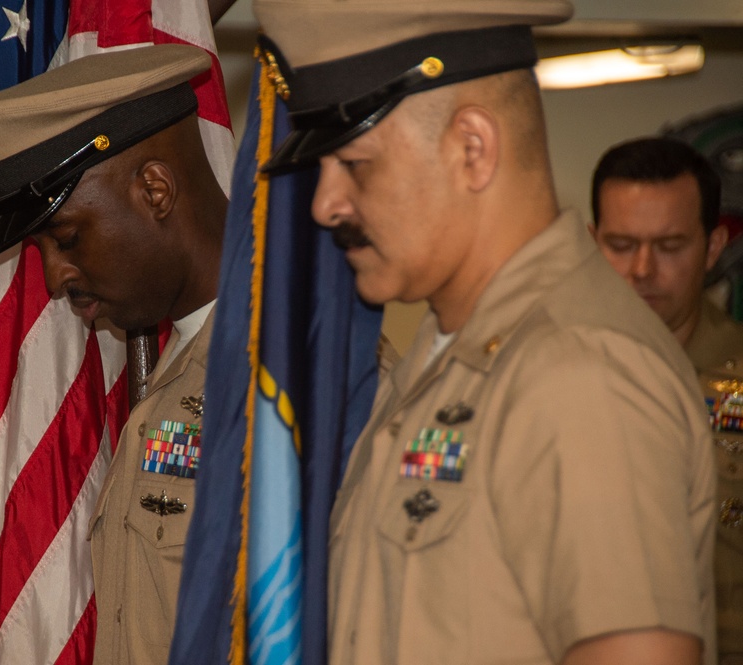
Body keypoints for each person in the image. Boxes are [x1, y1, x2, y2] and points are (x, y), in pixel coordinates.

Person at [252, 0, 717, 663]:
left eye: (354, 164)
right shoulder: (444, 361)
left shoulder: (581, 374)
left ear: (473, 149)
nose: (326, 204)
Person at [0, 44, 227, 665]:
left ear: (154, 189)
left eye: (65, 238)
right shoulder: (180, 372)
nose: (58, 277)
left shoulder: (294, 380)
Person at [592, 136, 743, 664]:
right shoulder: (549, 378)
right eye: (621, 244)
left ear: (714, 247)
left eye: (670, 246)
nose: (642, 269)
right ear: (593, 243)